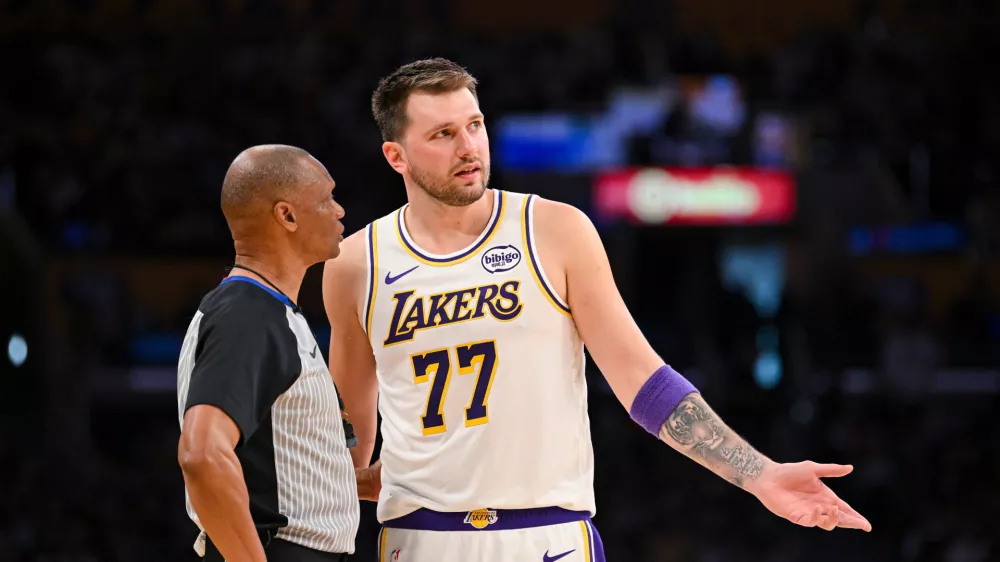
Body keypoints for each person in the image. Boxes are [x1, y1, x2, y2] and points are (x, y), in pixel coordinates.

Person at [323, 59, 871, 561]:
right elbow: (347, 429)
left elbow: (642, 381)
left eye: (475, 124)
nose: (468, 147)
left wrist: (760, 475)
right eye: (443, 134)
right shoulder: (354, 264)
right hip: (418, 539)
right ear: (396, 155)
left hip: (549, 536)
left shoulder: (554, 231)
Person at [177, 144, 378, 562]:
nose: (340, 210)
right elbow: (201, 454)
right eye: (327, 199)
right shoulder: (247, 315)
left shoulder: (266, 310)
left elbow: (273, 472)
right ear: (286, 216)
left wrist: (352, 481)